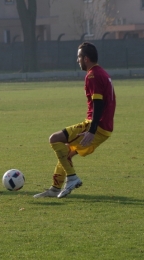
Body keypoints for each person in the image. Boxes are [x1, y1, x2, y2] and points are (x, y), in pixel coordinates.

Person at [34, 41, 116, 199]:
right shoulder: (102, 73)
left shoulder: (92, 75)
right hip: (104, 127)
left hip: (96, 126)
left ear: (86, 58)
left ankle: (72, 178)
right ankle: (55, 189)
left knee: (54, 139)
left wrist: (91, 130)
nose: (77, 60)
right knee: (66, 152)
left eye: (78, 57)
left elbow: (98, 103)